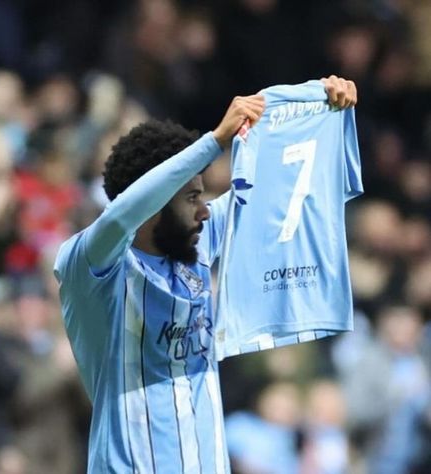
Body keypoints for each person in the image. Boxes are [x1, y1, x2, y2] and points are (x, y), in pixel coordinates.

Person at [54, 75, 357, 473]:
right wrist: (214, 141)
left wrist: (320, 106)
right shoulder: (89, 266)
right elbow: (123, 212)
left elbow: (279, 185)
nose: (204, 210)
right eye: (192, 197)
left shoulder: (194, 246)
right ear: (157, 202)